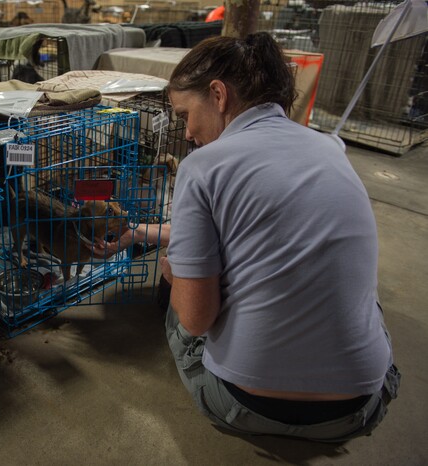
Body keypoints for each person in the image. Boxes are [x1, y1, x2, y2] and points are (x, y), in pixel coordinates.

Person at [96, 32, 400, 442]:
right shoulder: (330, 147)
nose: (186, 134)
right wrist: (137, 234)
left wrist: (175, 277)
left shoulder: (204, 166)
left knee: (180, 296)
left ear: (218, 95)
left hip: (246, 406)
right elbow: (247, 228)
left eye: (186, 115)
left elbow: (197, 318)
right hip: (361, 408)